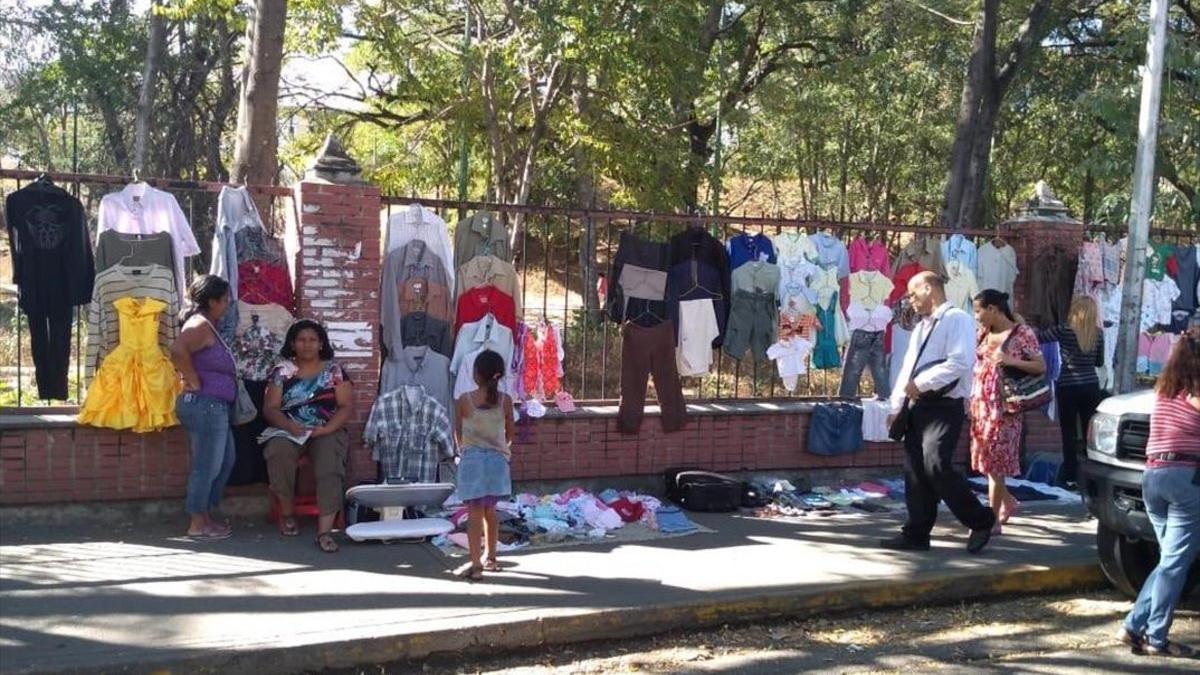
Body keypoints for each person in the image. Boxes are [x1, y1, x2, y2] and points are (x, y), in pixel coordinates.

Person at [883, 271, 997, 554]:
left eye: (913, 293)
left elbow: (959, 362)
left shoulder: (957, 319)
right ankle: (917, 533)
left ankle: (980, 519)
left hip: (944, 406)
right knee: (915, 471)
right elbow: (908, 369)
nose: (910, 301)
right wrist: (896, 406)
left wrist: (921, 384)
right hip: (917, 406)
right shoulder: (922, 327)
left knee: (936, 465)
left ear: (928, 288)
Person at [1120, 327, 1200, 658]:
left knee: (1169, 560)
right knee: (1174, 564)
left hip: (1152, 477)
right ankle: (1156, 637)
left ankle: (1133, 626)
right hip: (1185, 480)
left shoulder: (1165, 390)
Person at [262, 319, 354, 553]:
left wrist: (327, 429)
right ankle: (288, 513)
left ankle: (325, 530)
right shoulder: (282, 371)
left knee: (329, 463)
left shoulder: (334, 371)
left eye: (313, 340)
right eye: (301, 340)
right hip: (289, 429)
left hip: (326, 429)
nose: (307, 345)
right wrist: (290, 427)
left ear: (321, 343)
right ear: (292, 343)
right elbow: (270, 408)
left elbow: (345, 406)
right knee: (277, 451)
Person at [969, 290, 1045, 534]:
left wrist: (1011, 361)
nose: (977, 316)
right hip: (981, 405)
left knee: (997, 461)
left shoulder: (1022, 333)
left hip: (1005, 408)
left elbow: (1041, 366)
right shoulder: (982, 333)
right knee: (986, 461)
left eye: (979, 311)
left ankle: (991, 520)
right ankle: (1008, 501)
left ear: (993, 309)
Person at [170, 275, 237, 540]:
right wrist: (191, 378)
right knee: (207, 465)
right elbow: (177, 350)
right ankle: (197, 523)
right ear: (212, 301)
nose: (228, 304)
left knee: (225, 460)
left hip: (215, 406)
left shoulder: (208, 325)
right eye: (224, 300)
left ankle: (206, 515)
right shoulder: (199, 325)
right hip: (205, 406)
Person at [453, 349, 516, 580]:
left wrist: (465, 452)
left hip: (472, 462)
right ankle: (491, 558)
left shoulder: (464, 400)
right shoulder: (506, 401)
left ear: (476, 374)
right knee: (491, 512)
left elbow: (458, 433)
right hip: (498, 463)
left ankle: (475, 565)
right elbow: (510, 435)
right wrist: (500, 450)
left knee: (474, 515)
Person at [1038, 296, 1105, 489]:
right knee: (1089, 433)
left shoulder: (1064, 330)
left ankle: (1070, 477)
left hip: (1067, 386)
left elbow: (1040, 337)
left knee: (1068, 433)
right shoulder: (1098, 334)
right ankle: (1091, 477)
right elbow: (1099, 362)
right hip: (1091, 385)